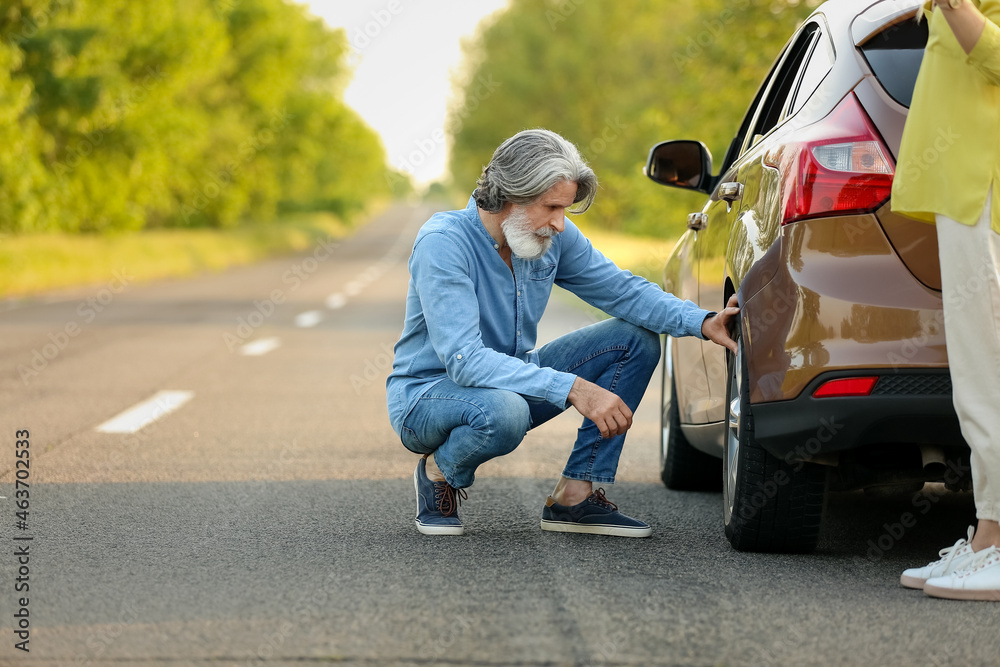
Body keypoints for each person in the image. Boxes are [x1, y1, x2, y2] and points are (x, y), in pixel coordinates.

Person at [386, 128, 739, 537]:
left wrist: (702, 321)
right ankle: (439, 471)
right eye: (551, 207)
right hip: (429, 397)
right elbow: (466, 362)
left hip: (509, 384)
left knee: (633, 339)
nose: (559, 223)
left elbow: (622, 290)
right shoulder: (444, 243)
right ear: (510, 194)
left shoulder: (551, 236)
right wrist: (576, 388)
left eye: (565, 208)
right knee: (505, 412)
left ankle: (575, 496)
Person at [892, 0, 1000, 600]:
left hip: (984, 188)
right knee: (977, 374)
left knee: (991, 370)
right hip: (963, 190)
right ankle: (988, 537)